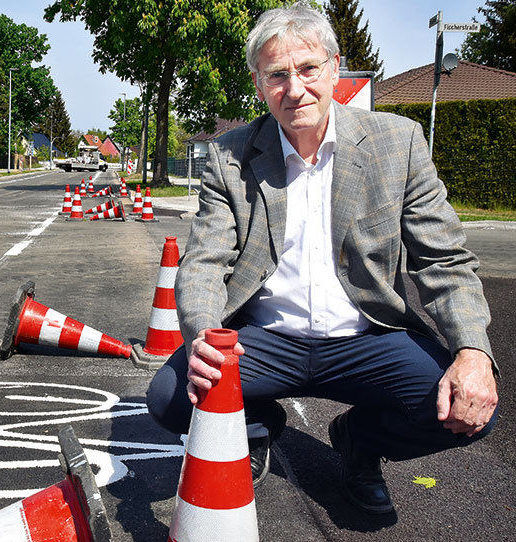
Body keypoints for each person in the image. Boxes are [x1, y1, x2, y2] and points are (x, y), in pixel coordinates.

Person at [146, 1, 499, 515]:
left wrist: (472, 351)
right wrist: (203, 335)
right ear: (258, 82)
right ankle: (259, 424)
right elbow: (203, 262)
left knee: (468, 410)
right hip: (265, 340)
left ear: (335, 68)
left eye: (309, 69)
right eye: (277, 75)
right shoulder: (230, 156)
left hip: (368, 338)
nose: (295, 89)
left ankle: (360, 440)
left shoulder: (397, 144)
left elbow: (443, 260)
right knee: (171, 398)